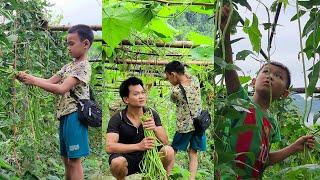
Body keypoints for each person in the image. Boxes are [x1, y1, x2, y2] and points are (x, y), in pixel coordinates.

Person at [220, 5, 315, 179]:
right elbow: (228, 69)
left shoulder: (272, 123)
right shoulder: (241, 101)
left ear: (285, 94)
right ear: (254, 82)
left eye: (278, 76)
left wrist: (295, 146)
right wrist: (225, 33)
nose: (270, 77)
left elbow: (265, 160)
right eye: (266, 72)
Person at [16, 24, 94, 180]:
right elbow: (49, 81)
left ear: (85, 44)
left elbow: (60, 89)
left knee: (74, 161)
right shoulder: (69, 66)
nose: (68, 48)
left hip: (75, 116)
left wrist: (33, 80)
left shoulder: (83, 67)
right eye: (67, 44)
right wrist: (27, 78)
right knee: (66, 160)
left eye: (72, 43)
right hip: (64, 116)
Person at [106, 77, 174, 180]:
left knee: (169, 151)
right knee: (117, 162)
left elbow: (165, 141)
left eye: (143, 93)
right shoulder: (117, 119)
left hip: (148, 157)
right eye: (136, 94)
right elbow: (109, 147)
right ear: (126, 99)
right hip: (127, 158)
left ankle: (163, 178)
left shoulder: (151, 114)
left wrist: (154, 128)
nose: (141, 97)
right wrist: (138, 146)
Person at [165, 61, 206, 180]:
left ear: (173, 74)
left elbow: (173, 100)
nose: (169, 81)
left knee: (173, 151)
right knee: (193, 153)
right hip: (199, 124)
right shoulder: (195, 80)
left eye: (168, 78)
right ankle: (191, 178)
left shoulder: (175, 91)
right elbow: (187, 75)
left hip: (185, 126)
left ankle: (166, 176)